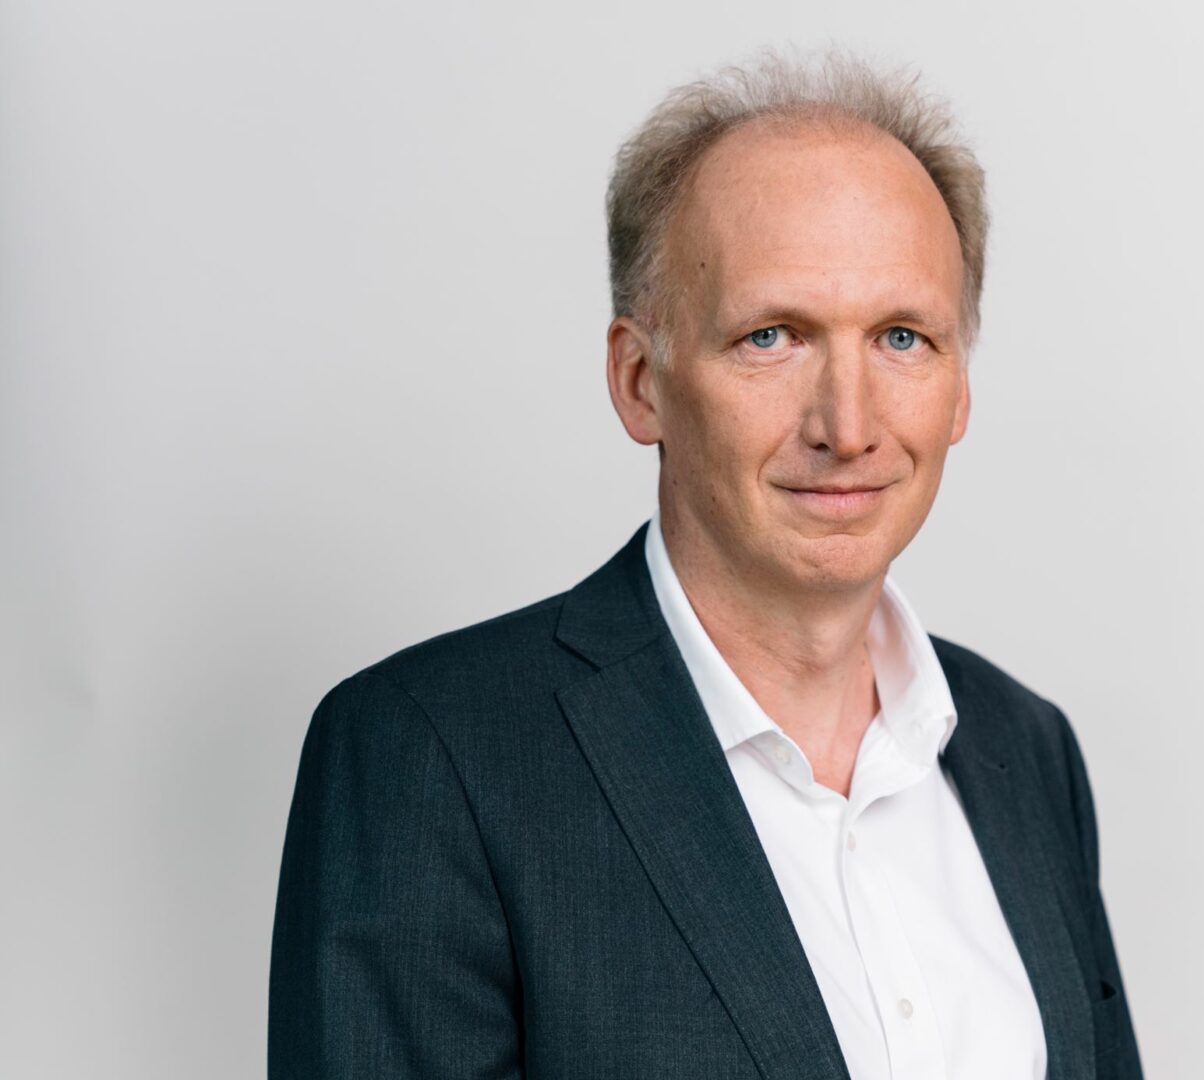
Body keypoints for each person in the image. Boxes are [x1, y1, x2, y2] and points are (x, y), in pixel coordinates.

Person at [268, 48, 1143, 1080]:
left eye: (903, 338)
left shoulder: (1025, 752)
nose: (848, 425)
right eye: (773, 336)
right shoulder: (428, 758)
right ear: (640, 381)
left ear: (960, 389)